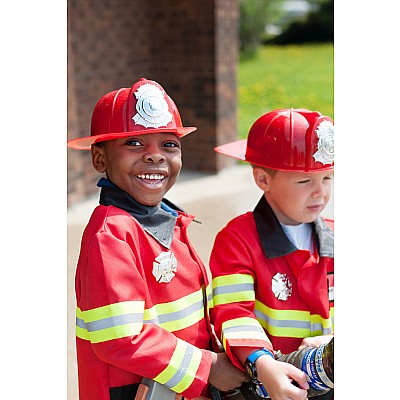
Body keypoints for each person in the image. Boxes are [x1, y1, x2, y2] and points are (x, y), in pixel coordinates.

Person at [67, 77, 247, 400]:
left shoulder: (168, 221)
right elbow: (122, 338)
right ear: (99, 159)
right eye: (134, 143)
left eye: (169, 144)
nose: (154, 156)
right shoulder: (110, 235)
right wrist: (208, 368)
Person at [209, 108, 334, 400]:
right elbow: (233, 312)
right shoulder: (237, 240)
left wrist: (333, 344)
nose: (320, 193)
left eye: (327, 178)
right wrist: (263, 364)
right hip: (269, 384)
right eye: (305, 182)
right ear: (263, 180)